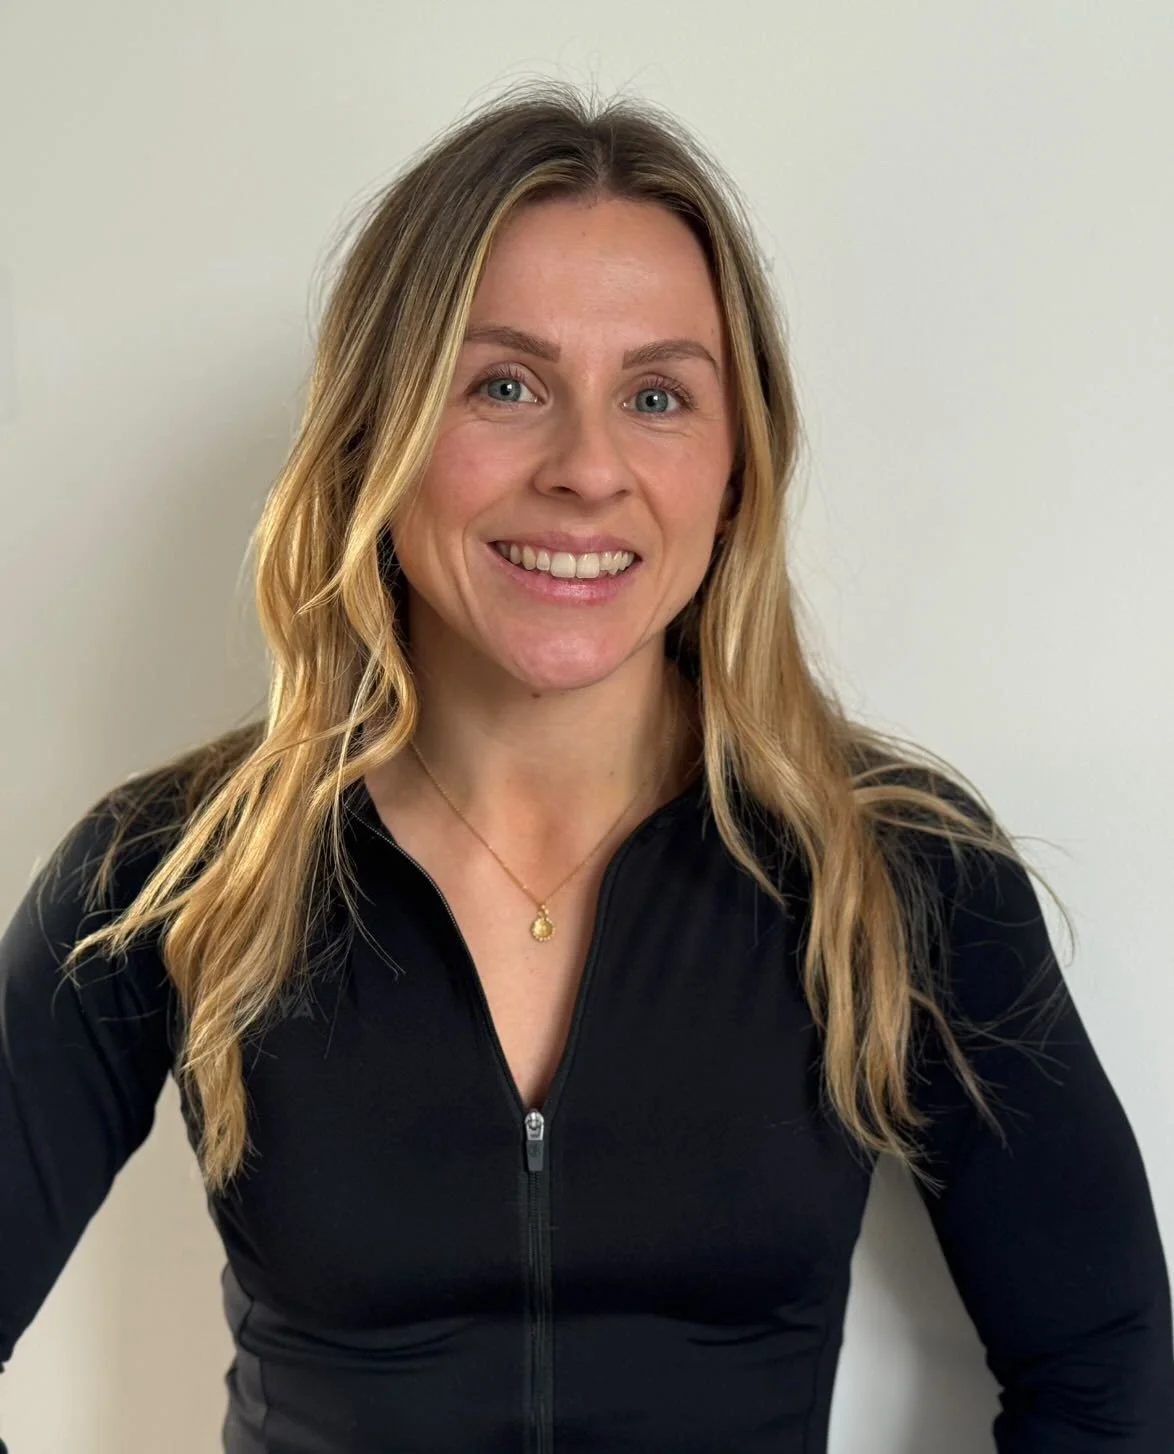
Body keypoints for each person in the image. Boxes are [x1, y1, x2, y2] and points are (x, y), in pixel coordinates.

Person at [1, 80, 1171, 1454]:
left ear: (735, 469)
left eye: (658, 395)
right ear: (380, 430)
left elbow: (1104, 1378)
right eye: (504, 385)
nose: (587, 469)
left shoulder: (895, 868)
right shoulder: (169, 871)